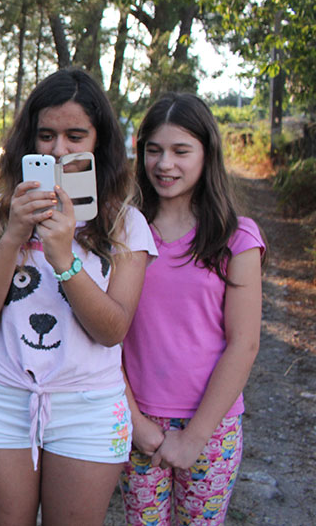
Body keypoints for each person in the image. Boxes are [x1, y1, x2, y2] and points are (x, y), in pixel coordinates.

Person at [0, 68, 156, 525]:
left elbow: (112, 330)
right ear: (29, 140)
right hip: (2, 399)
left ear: (99, 142)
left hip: (89, 407)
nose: (58, 150)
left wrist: (64, 257)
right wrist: (14, 235)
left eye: (75, 136)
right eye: (46, 135)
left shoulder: (125, 224)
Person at [120, 93, 264, 525]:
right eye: (154, 150)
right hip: (136, 420)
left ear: (207, 154)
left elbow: (244, 343)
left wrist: (195, 437)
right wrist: (135, 420)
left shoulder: (236, 238)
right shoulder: (124, 231)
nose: (165, 164)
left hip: (211, 427)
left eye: (181, 151)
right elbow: (105, 335)